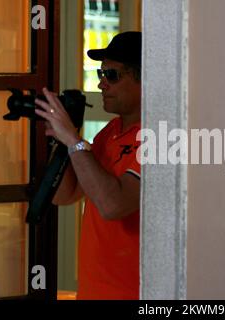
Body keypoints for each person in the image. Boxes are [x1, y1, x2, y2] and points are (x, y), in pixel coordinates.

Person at [35, 31, 142, 300]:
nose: (102, 84)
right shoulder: (109, 132)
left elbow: (113, 205)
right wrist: (61, 140)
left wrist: (73, 139)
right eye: (101, 74)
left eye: (113, 76)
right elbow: (65, 194)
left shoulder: (162, 138)